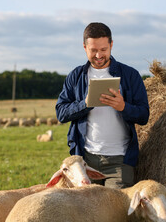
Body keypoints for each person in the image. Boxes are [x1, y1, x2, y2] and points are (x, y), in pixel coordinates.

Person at [55, 22, 149, 189]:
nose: (99, 55)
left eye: (103, 50)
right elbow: (61, 113)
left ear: (111, 45)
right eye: (93, 50)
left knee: (116, 213)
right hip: (85, 161)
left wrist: (123, 107)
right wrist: (84, 104)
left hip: (120, 161)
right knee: (86, 212)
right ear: (84, 47)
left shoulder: (131, 75)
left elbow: (143, 116)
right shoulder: (75, 77)